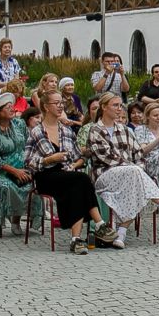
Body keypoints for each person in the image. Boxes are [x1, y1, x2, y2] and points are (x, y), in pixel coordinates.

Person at [84, 97, 159, 248]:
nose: (119, 108)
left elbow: (139, 154)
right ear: (104, 107)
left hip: (128, 176)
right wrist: (134, 167)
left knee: (134, 181)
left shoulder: (124, 130)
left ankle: (121, 233)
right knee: (134, 171)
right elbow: (107, 158)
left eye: (120, 105)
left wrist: (139, 167)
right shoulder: (95, 130)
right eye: (115, 105)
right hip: (104, 175)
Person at [28, 89, 106, 254]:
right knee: (81, 180)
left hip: (68, 174)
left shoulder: (66, 130)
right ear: (46, 107)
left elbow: (80, 158)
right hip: (46, 176)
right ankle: (100, 224)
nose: (60, 106)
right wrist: (49, 159)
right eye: (56, 103)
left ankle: (76, 240)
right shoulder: (36, 132)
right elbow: (28, 162)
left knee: (77, 185)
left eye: (61, 103)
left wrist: (74, 165)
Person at [0, 93, 36, 236]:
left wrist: (26, 168)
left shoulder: (19, 124)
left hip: (22, 167)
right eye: (7, 107)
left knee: (33, 185)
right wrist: (15, 171)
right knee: (7, 187)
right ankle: (13, 219)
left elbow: (29, 145)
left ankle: (20, 219)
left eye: (12, 106)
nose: (12, 108)